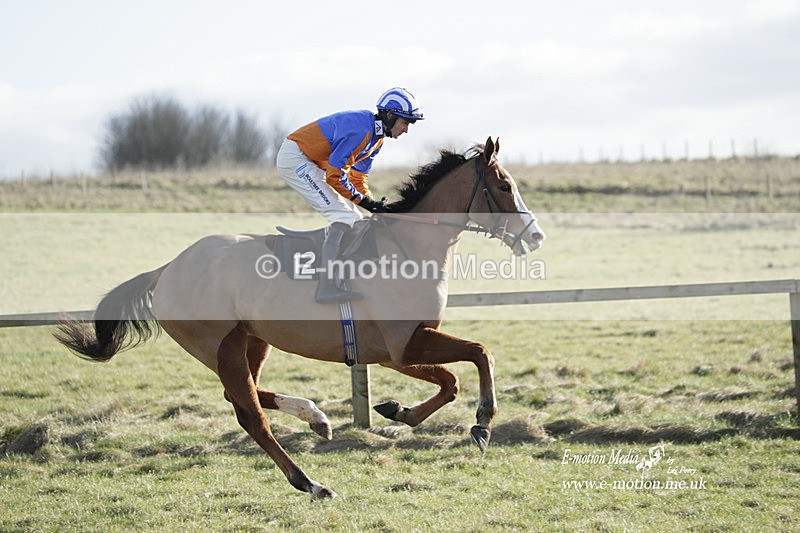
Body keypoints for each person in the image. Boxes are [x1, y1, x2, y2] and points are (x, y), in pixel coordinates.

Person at [276, 87, 424, 304]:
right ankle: (326, 286)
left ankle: (340, 274)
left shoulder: (377, 139)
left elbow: (357, 178)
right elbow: (335, 177)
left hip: (309, 161)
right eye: (405, 122)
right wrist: (365, 202)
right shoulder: (360, 131)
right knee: (344, 216)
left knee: (355, 219)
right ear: (390, 115)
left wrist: (372, 204)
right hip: (295, 159)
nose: (406, 130)